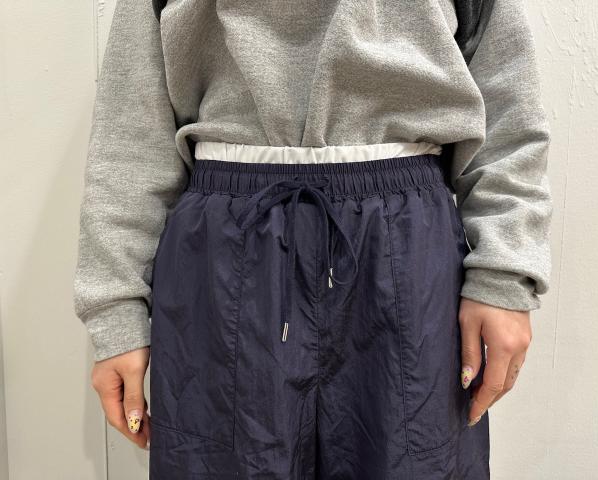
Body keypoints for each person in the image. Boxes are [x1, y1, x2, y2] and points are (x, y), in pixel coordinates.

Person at [73, 0, 552, 478]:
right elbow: (132, 129)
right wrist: (116, 312)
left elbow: (504, 91)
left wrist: (504, 272)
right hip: (228, 255)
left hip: (402, 248)